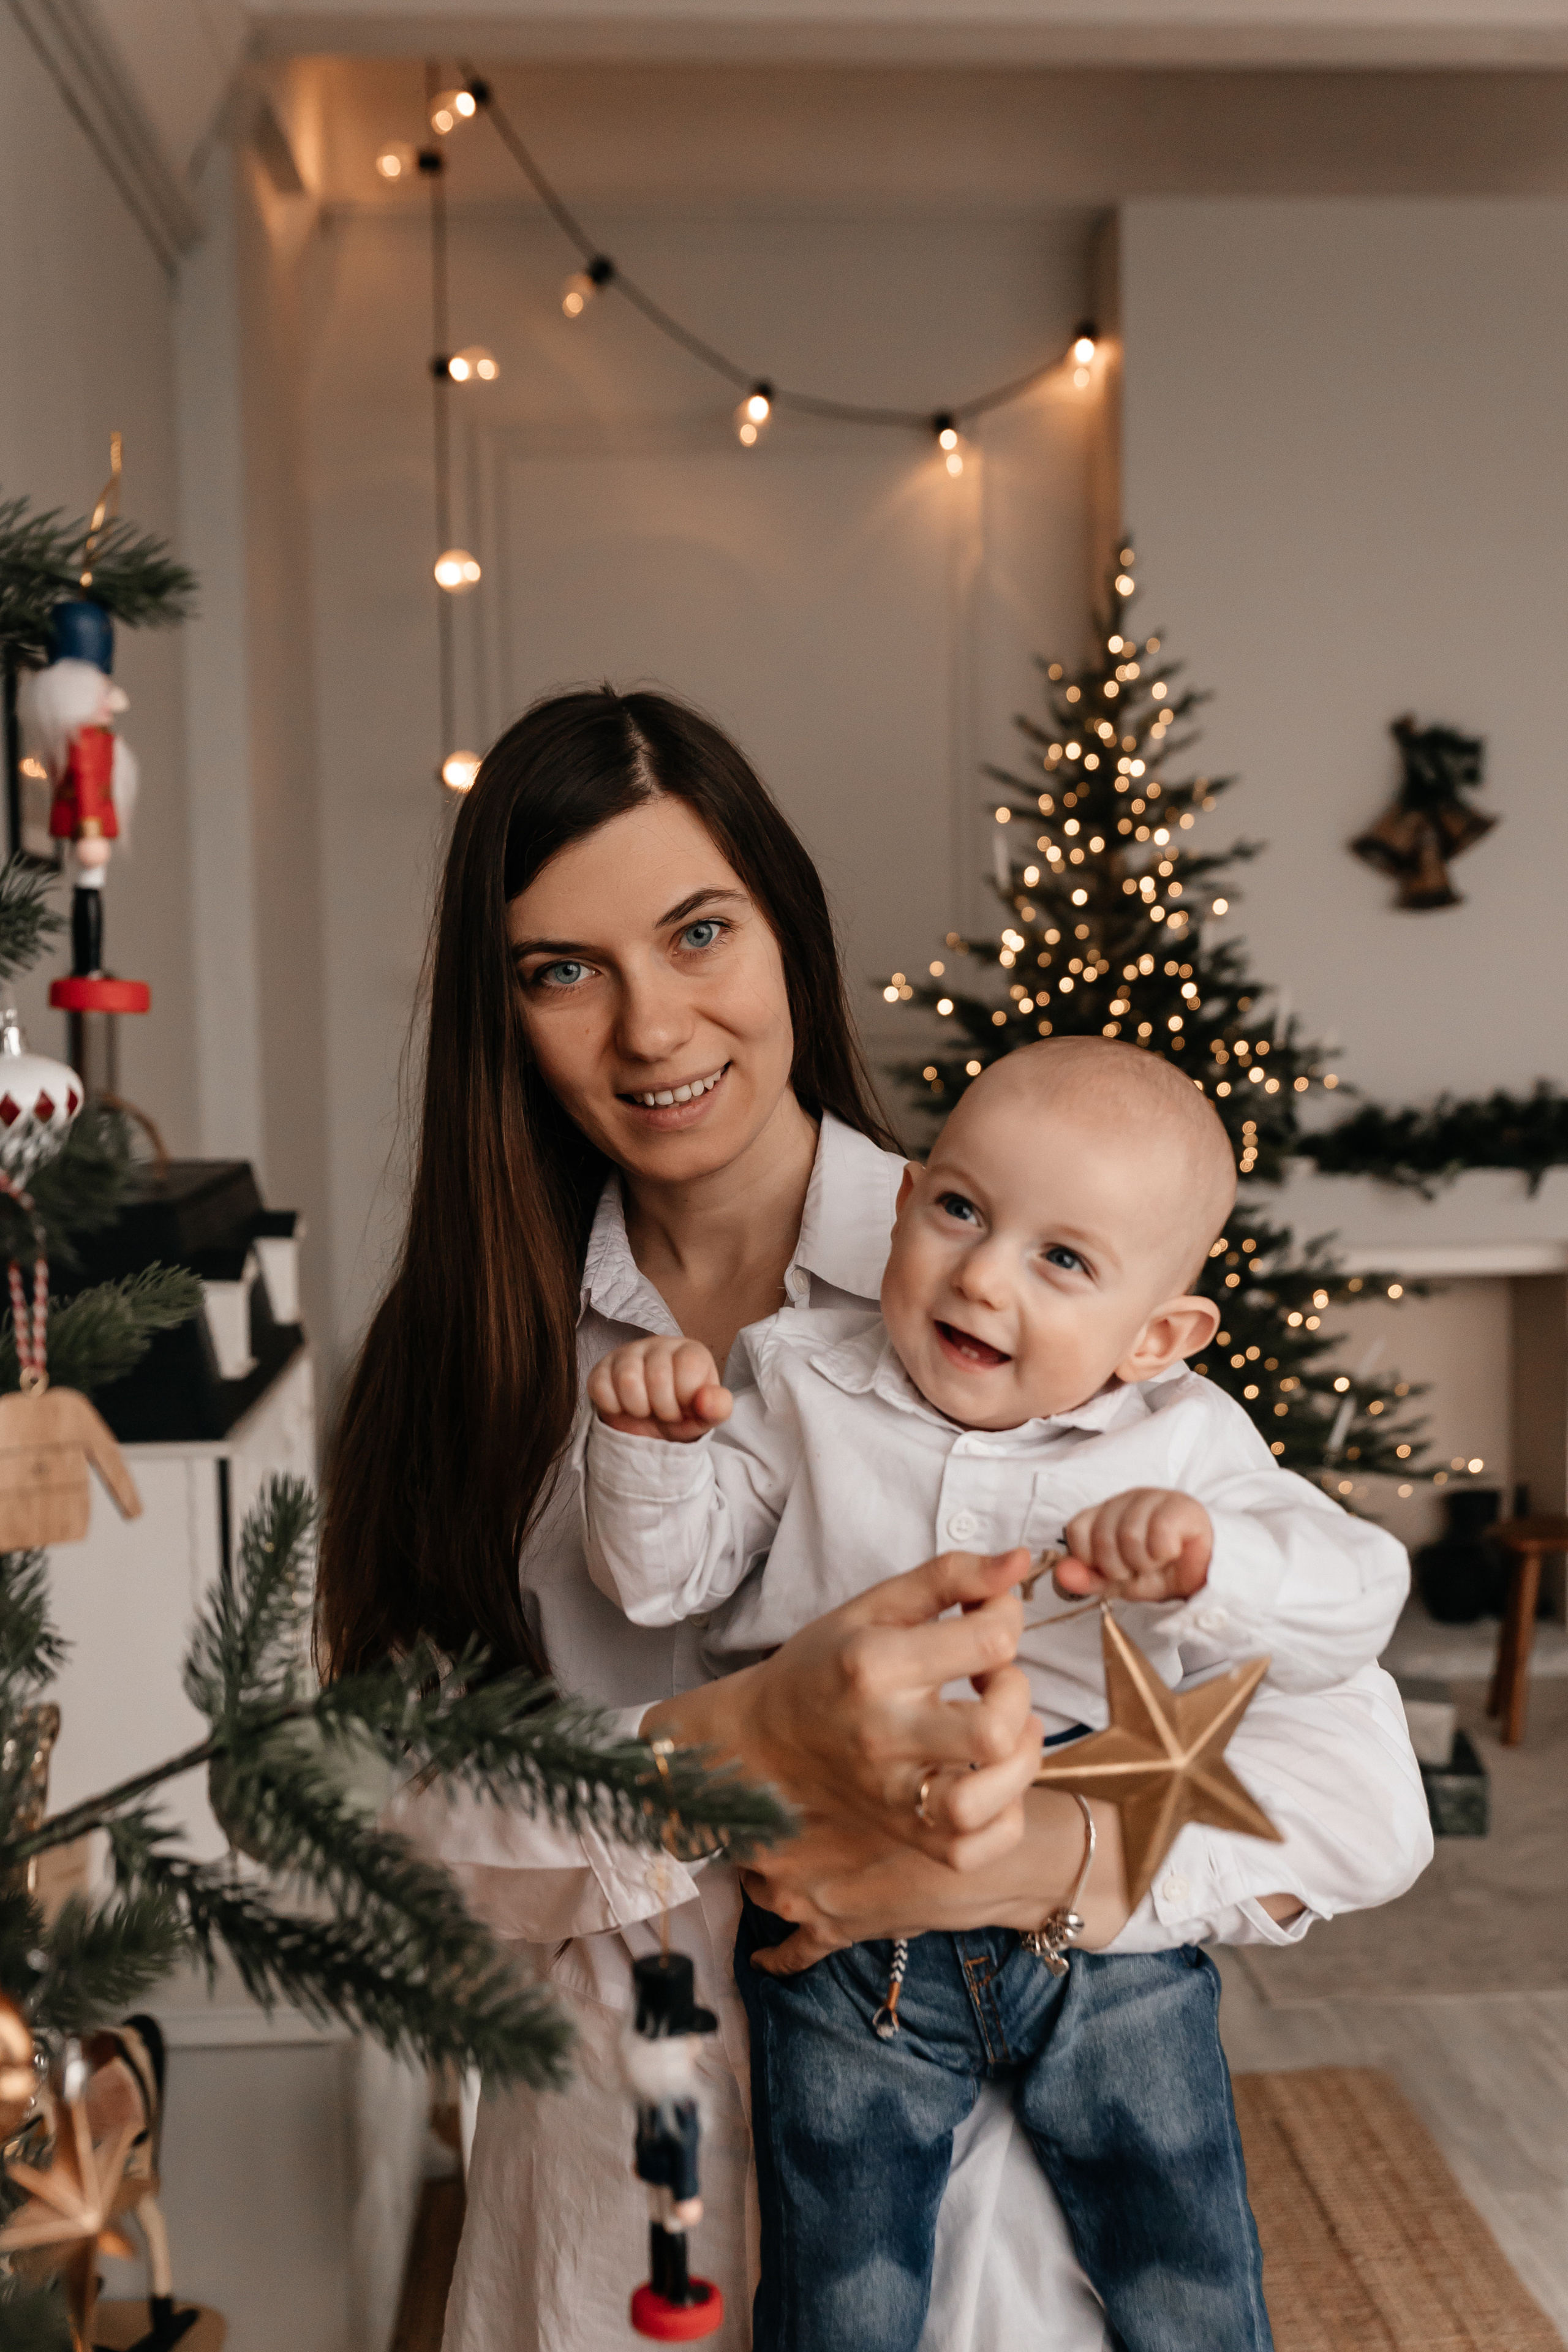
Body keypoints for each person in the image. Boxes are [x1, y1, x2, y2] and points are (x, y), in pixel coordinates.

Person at [316, 687, 1433, 2352]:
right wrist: (722, 1756)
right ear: (505, 1009)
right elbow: (378, 1835)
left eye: (701, 933)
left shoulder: (1048, 1281)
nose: (651, 1030)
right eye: (564, 969)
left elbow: (1357, 1790)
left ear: (788, 929)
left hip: (1001, 2229)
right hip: (618, 2212)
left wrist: (1030, 1862)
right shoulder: (465, 1363)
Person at [580, 1038, 1411, 2350]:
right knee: (837, 2280)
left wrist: (1211, 1559)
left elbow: (1357, 1594)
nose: (979, 1274)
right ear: (903, 1204)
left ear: (1157, 1335)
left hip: (1095, 1929)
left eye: (1060, 1259)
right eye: (960, 1210)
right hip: (840, 1932)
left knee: (1181, 2255)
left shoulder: (1184, 1443)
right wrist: (642, 1445)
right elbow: (657, 1582)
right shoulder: (796, 1379)